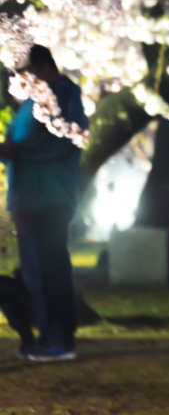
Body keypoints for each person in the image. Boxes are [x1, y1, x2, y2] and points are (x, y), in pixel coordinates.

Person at [0, 45, 88, 362]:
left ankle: (61, 339)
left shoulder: (64, 94)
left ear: (45, 66)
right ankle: (47, 335)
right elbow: (13, 142)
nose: (24, 79)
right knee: (35, 272)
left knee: (52, 269)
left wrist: (17, 152)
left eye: (28, 72)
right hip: (26, 197)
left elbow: (63, 140)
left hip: (51, 196)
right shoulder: (28, 103)